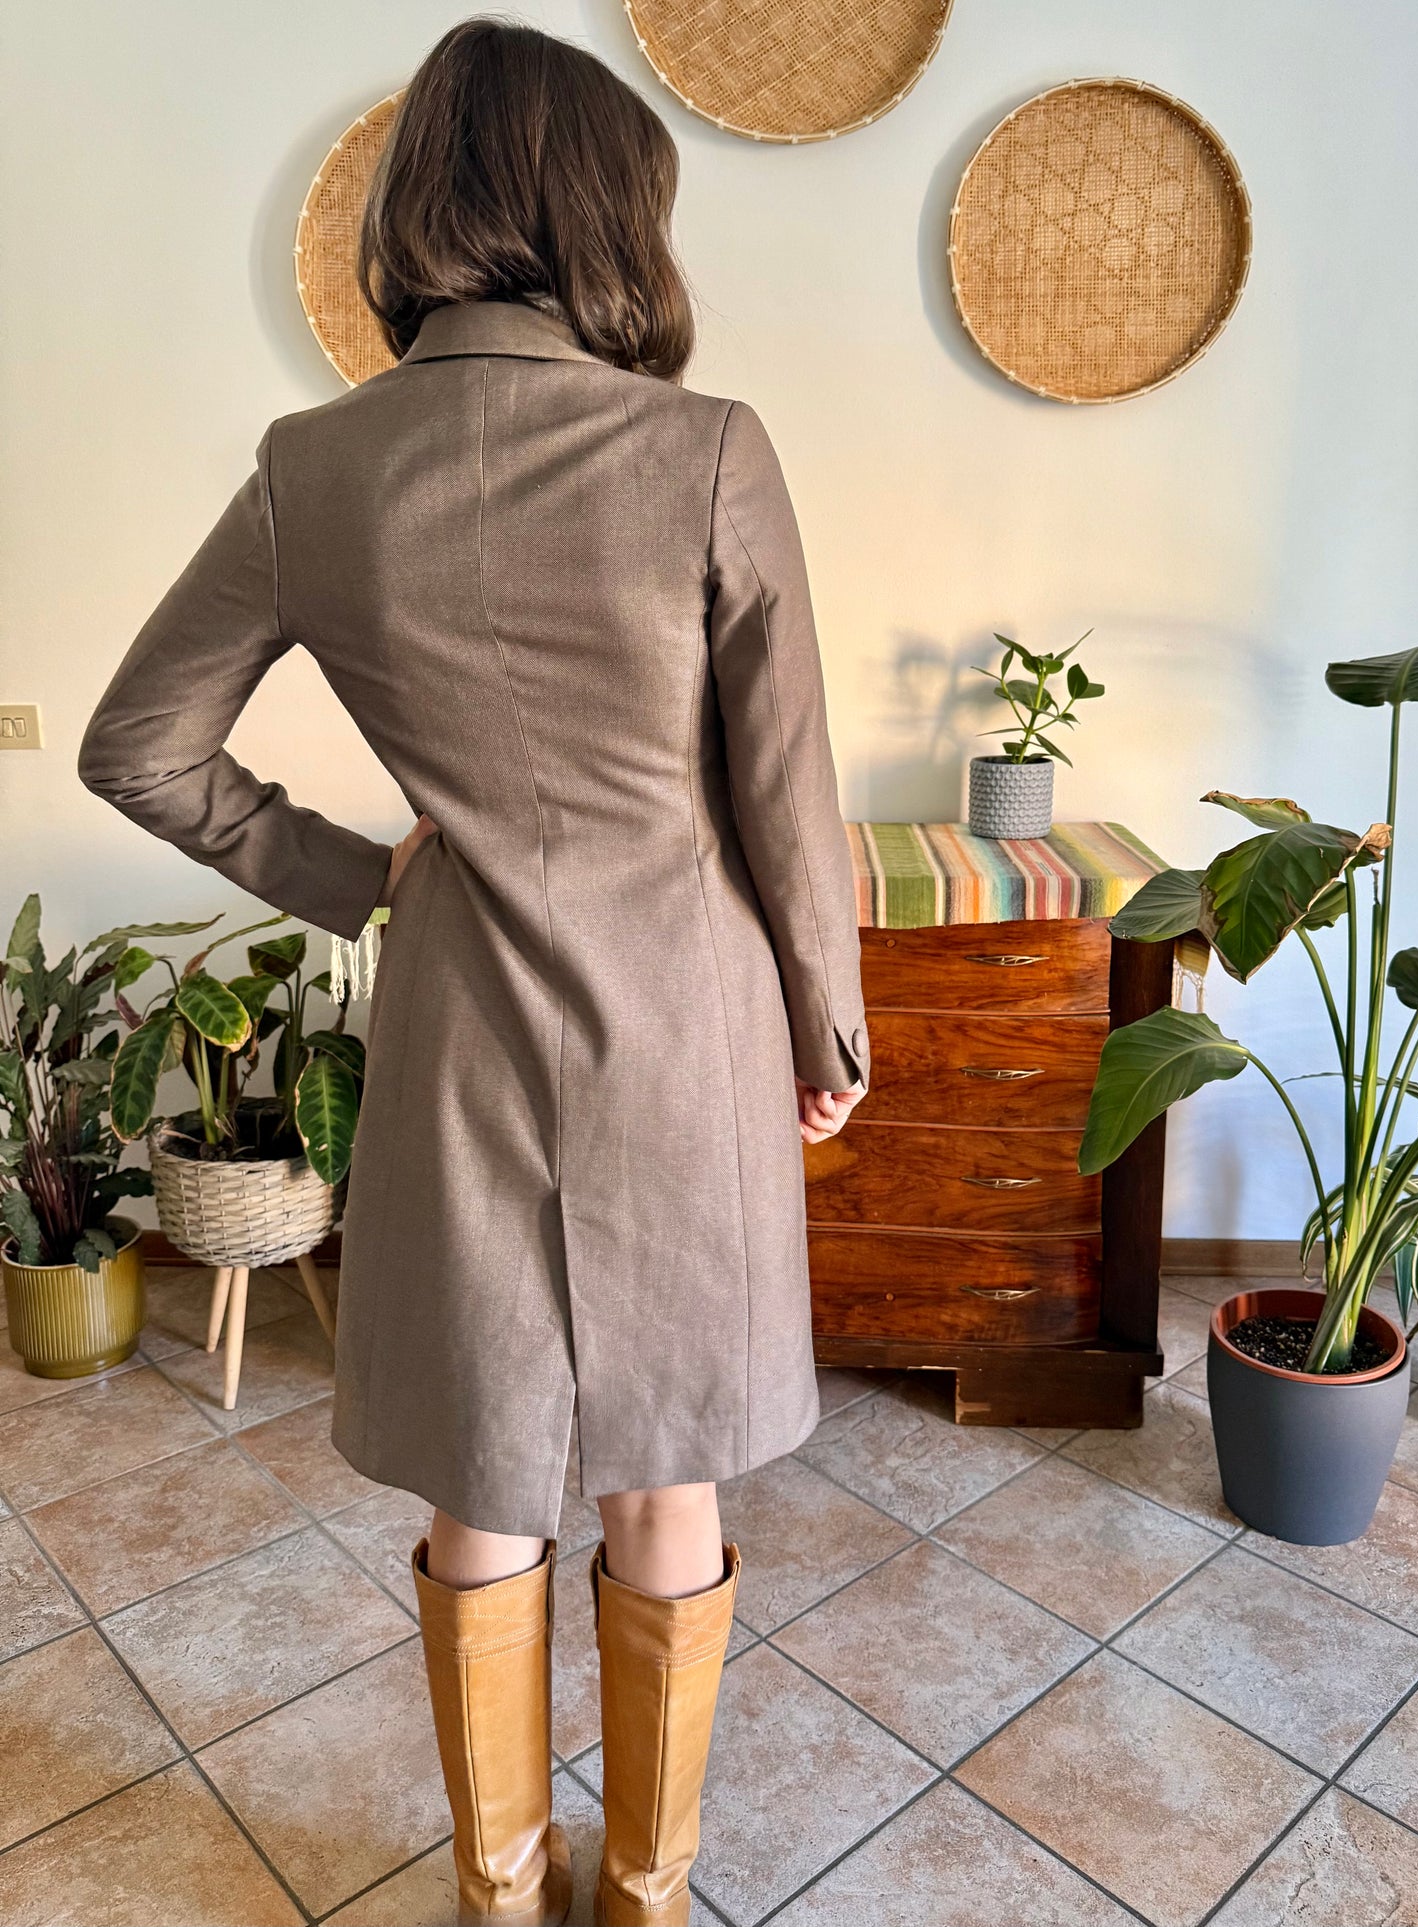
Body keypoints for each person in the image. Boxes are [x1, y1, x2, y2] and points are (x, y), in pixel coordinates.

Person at [78, 17, 867, 1926]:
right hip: (684, 1021)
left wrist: (363, 878)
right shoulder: (704, 449)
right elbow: (785, 786)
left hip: (457, 1029)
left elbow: (138, 748)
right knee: (667, 1477)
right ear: (609, 215)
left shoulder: (314, 466)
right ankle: (647, 1896)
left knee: (486, 1466)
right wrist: (825, 1023)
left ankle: (497, 1893)